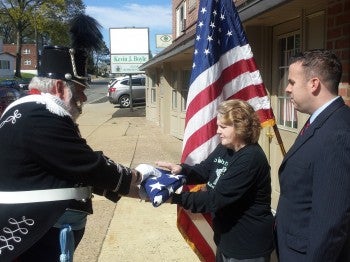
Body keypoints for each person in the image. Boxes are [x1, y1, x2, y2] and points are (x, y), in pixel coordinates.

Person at [0, 14, 155, 261]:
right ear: (60, 87)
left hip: (44, 229)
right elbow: (86, 164)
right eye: (80, 90)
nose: (83, 99)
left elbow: (72, 171)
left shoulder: (35, 112)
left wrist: (137, 192)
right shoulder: (40, 116)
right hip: (33, 233)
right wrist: (140, 176)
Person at [157, 99, 274, 262]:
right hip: (226, 239)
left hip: (247, 248)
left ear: (241, 127)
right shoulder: (226, 148)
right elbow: (204, 170)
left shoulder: (250, 159)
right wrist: (181, 169)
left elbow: (214, 199)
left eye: (223, 127)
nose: (218, 131)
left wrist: (173, 198)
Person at [275, 49, 350, 261]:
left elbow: (331, 223)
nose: (287, 89)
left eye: (292, 82)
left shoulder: (338, 134)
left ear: (314, 84)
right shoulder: (319, 121)